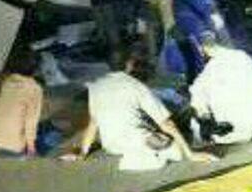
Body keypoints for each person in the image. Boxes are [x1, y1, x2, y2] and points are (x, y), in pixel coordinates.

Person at [65, 46, 218, 171]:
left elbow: (93, 123)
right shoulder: (135, 85)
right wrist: (190, 154)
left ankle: (137, 152)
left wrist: (82, 153)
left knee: (152, 128)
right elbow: (166, 123)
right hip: (136, 140)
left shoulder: (95, 86)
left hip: (111, 144)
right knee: (176, 152)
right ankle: (137, 158)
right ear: (130, 63)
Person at [190, 34, 252, 155]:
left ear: (203, 51)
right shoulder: (241, 56)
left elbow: (198, 99)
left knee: (199, 124)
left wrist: (206, 120)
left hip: (247, 125)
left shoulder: (210, 72)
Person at [0, 54, 44, 157]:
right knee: (51, 137)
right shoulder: (34, 89)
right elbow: (31, 121)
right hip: (16, 145)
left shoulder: (8, 82)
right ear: (35, 69)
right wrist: (31, 148)